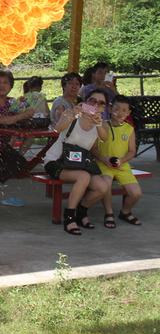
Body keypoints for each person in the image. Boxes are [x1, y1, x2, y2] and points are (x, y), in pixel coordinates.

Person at [43, 89, 111, 235]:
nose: (96, 105)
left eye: (101, 103)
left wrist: (98, 124)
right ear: (85, 102)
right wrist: (71, 114)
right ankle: (69, 217)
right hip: (56, 161)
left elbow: (104, 139)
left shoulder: (101, 124)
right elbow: (57, 128)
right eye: (92, 101)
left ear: (104, 108)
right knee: (83, 177)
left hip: (79, 164)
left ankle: (81, 211)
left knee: (102, 186)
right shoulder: (72, 115)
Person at [94, 95, 143, 228]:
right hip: (104, 164)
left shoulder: (129, 129)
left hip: (122, 165)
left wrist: (122, 160)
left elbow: (132, 151)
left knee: (136, 193)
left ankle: (125, 212)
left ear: (128, 113)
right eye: (117, 109)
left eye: (124, 110)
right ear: (110, 109)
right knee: (107, 185)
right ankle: (109, 213)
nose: (120, 112)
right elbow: (93, 149)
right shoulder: (102, 125)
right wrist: (104, 159)